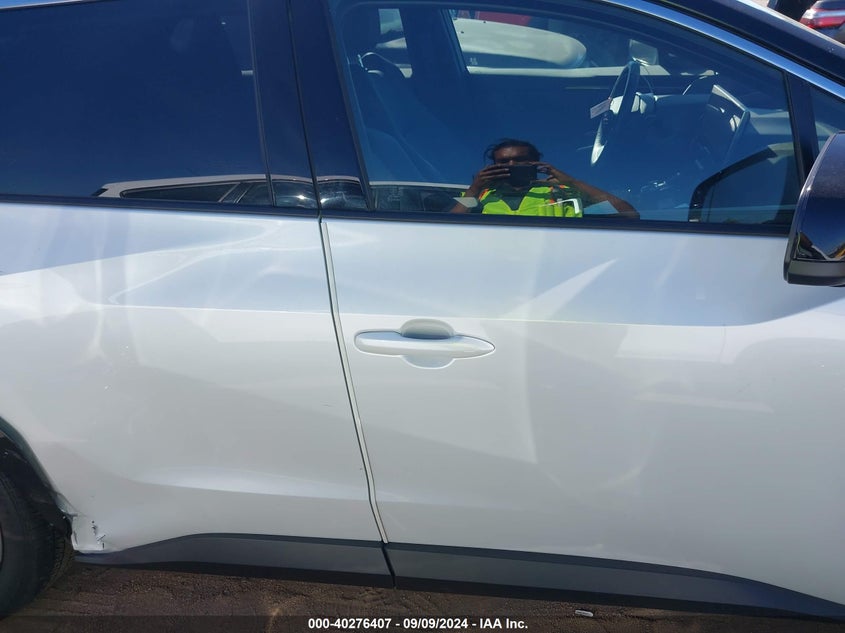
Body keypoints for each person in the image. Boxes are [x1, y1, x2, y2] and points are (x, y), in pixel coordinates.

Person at [450, 139, 638, 218]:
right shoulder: (479, 196)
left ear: (535, 163)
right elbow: (449, 225)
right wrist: (474, 188)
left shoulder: (564, 194)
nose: (512, 165)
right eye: (504, 161)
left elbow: (628, 214)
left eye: (520, 160)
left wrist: (572, 183)